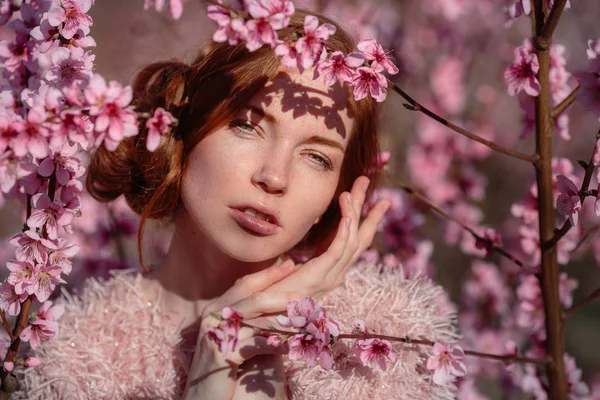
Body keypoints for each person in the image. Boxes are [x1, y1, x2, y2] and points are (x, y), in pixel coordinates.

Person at [16, 10, 459, 400]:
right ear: (184, 129)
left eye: (317, 156)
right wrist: (210, 375)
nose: (274, 177)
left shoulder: (383, 350)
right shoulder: (74, 358)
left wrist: (263, 344)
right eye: (247, 126)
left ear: (341, 193)